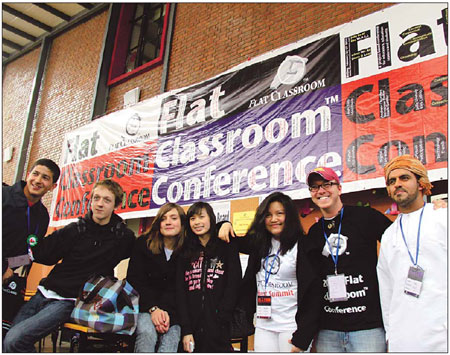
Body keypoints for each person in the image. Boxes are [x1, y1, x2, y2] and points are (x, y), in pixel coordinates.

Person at [3, 179, 136, 353]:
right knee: (7, 341)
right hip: (44, 293)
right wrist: (7, 266)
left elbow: (144, 254)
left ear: (116, 205)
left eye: (106, 200)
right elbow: (40, 253)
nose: (99, 204)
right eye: (96, 198)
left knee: (14, 340)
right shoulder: (75, 229)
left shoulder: (123, 237)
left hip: (70, 301)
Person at [299, 166, 392, 352]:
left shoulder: (365, 217)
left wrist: (433, 208)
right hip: (328, 329)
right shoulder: (315, 233)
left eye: (327, 184)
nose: (321, 190)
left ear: (339, 188)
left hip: (367, 327)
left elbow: (402, 239)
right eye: (315, 187)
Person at [230, 191, 321, 352]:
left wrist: (303, 337)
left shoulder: (304, 245)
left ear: (290, 216)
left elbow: (314, 294)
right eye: (268, 215)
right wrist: (224, 224)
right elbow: (230, 240)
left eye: (280, 214)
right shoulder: (259, 244)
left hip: (291, 327)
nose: (274, 220)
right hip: (264, 326)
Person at [376, 155, 447, 352]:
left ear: (421, 183)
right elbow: (386, 289)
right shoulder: (389, 235)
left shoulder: (442, 217)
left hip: (442, 334)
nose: (397, 184)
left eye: (404, 178)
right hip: (404, 339)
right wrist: (391, 334)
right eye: (392, 181)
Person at [176, 202, 241, 353]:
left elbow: (234, 283)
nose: (197, 222)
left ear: (211, 218)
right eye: (192, 219)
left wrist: (223, 316)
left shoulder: (226, 245)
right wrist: (186, 329)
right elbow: (180, 291)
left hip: (219, 326)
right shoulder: (184, 251)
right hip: (191, 327)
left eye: (201, 217)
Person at [126, 203, 185, 352]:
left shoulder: (188, 250)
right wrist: (154, 309)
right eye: (163, 219)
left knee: (172, 339)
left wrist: (225, 224)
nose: (168, 222)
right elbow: (134, 280)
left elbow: (181, 287)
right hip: (144, 307)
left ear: (182, 223)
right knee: (147, 333)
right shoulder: (143, 244)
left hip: (174, 313)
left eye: (173, 218)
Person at [2, 158, 60, 283]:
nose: (38, 180)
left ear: (52, 186)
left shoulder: (42, 217)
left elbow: (31, 252)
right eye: (35, 174)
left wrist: (9, 268)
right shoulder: (4, 196)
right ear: (28, 175)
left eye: (45, 178)